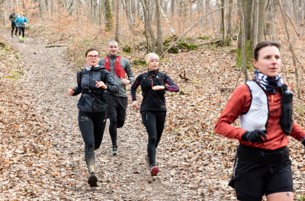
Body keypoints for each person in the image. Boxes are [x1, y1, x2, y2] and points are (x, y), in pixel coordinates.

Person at [214, 41, 305, 201]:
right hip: (251, 161)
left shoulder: (285, 89)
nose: (274, 61)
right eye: (267, 57)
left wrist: (302, 136)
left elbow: (286, 122)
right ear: (255, 63)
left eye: (277, 57)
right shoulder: (244, 91)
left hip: (280, 161)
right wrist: (245, 135)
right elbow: (220, 126)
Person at [67, 48, 118, 187]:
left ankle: (91, 158)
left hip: (101, 111)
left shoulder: (104, 73)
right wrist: (74, 91)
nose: (93, 58)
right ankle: (92, 173)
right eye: (90, 56)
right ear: (86, 58)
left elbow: (115, 88)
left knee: (96, 144)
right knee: (89, 143)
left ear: (98, 58)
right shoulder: (81, 73)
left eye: (95, 56)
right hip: (84, 110)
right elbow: (80, 87)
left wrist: (105, 86)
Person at [130, 53, 179, 176]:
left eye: (156, 61)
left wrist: (164, 87)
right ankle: (153, 164)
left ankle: (149, 156)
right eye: (152, 61)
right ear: (147, 63)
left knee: (157, 137)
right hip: (147, 109)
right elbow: (133, 88)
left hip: (161, 109)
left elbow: (176, 87)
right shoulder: (142, 77)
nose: (154, 63)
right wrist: (134, 100)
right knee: (152, 136)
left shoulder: (163, 76)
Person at [98, 40, 135, 156]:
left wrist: (128, 81)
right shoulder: (102, 62)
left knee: (121, 121)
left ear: (118, 48)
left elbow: (132, 76)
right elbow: (97, 75)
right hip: (108, 94)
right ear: (108, 48)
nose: (113, 49)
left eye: (115, 47)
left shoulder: (125, 62)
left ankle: (115, 125)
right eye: (111, 47)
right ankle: (114, 145)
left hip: (122, 95)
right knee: (113, 120)